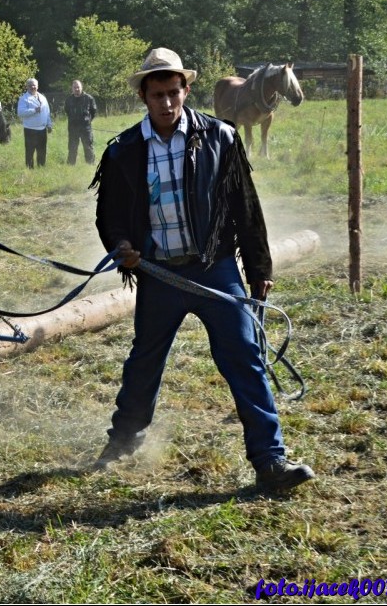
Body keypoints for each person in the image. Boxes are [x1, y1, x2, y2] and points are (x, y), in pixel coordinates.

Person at [89, 47, 315, 492]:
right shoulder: (124, 151)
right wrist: (121, 245)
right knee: (144, 362)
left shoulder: (222, 138)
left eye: (175, 92)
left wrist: (259, 266)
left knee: (245, 360)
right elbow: (109, 215)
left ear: (186, 90)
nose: (167, 103)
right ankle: (122, 441)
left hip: (215, 270)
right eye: (158, 95)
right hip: (158, 276)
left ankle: (270, 461)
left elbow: (245, 207)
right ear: (144, 96)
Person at [16, 77, 52, 168]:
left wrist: (49, 124)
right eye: (30, 85)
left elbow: (47, 112)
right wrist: (34, 110)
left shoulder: (43, 98)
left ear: (37, 86)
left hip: (42, 129)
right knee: (30, 150)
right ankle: (29, 169)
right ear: (27, 87)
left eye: (34, 85)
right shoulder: (24, 98)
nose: (33, 87)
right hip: (30, 129)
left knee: (42, 150)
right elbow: (20, 113)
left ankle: (41, 167)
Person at [64, 80, 97, 165]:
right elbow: (67, 111)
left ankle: (90, 164)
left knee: (88, 147)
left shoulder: (89, 98)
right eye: (75, 87)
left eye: (78, 87)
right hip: (73, 128)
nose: (77, 89)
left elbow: (94, 111)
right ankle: (71, 165)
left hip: (85, 128)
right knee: (72, 147)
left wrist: (87, 120)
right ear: (72, 88)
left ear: (81, 87)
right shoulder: (69, 100)